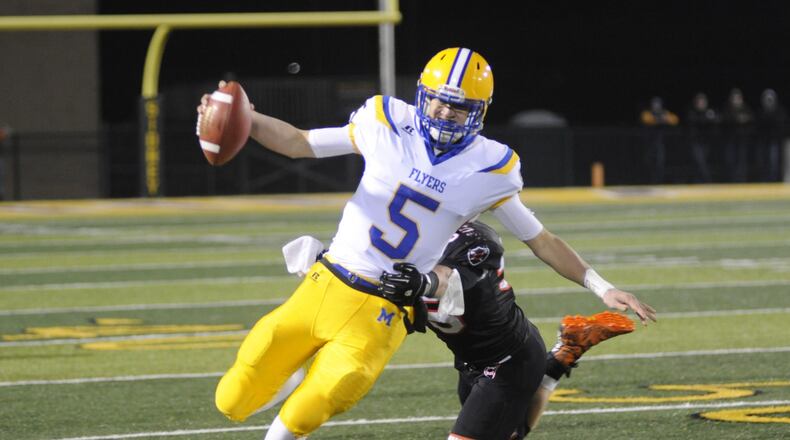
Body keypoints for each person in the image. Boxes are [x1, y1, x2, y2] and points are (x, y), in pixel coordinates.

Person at [199, 47, 656, 439]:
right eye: (437, 102)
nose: (443, 113)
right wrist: (247, 118)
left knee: (316, 403)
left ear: (478, 113)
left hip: (384, 308)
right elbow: (300, 142)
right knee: (231, 398)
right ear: (422, 95)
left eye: (457, 108)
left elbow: (541, 240)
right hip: (328, 279)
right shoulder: (385, 123)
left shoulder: (489, 168)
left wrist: (601, 286)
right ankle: (292, 370)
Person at [378, 221, 649, 439]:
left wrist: (420, 283)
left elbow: (444, 280)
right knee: (510, 433)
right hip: (470, 360)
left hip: (509, 361)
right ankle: (561, 358)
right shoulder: (394, 247)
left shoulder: (473, 241)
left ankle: (559, 359)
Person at [640, 97, 679, 184]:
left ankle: (658, 182)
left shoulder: (664, 112)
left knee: (660, 163)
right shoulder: (648, 112)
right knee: (649, 163)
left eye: (658, 104)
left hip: (661, 143)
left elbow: (674, 120)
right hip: (648, 143)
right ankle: (649, 181)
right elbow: (646, 119)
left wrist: (664, 119)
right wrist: (660, 120)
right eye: (654, 104)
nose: (656, 106)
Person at [721, 88, 755, 182]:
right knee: (730, 161)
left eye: (738, 98)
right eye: (734, 98)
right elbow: (724, 121)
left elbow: (751, 120)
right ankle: (731, 180)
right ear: (731, 99)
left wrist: (744, 120)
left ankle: (742, 180)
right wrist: (737, 119)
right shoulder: (727, 109)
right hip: (730, 141)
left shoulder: (746, 108)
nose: (736, 100)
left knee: (742, 161)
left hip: (742, 140)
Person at [685, 92, 719, 182]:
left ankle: (701, 181)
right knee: (699, 162)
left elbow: (717, 121)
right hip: (695, 142)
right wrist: (707, 118)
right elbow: (695, 122)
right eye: (699, 102)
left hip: (707, 143)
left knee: (706, 163)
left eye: (703, 101)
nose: (701, 103)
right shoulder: (692, 113)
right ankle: (707, 181)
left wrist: (711, 118)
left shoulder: (709, 112)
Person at [755, 89, 787, 181]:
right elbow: (759, 127)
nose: (768, 101)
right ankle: (764, 180)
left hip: (775, 142)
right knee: (763, 162)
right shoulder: (761, 112)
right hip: (763, 141)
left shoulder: (779, 111)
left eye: (770, 99)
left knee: (774, 163)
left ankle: (774, 180)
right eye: (767, 99)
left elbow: (781, 126)